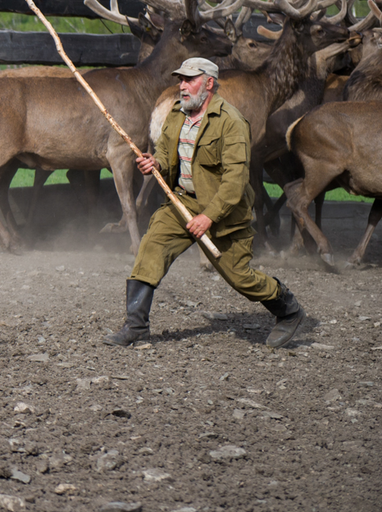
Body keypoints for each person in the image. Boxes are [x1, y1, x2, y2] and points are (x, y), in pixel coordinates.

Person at [103, 57, 305, 349]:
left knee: (241, 278)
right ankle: (135, 326)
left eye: (189, 80)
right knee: (150, 251)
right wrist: (156, 163)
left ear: (209, 83)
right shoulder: (177, 113)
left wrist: (208, 217)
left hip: (222, 212)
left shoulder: (232, 123)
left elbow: (236, 182)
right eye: (180, 80)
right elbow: (165, 151)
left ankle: (289, 310)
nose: (182, 86)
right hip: (181, 203)